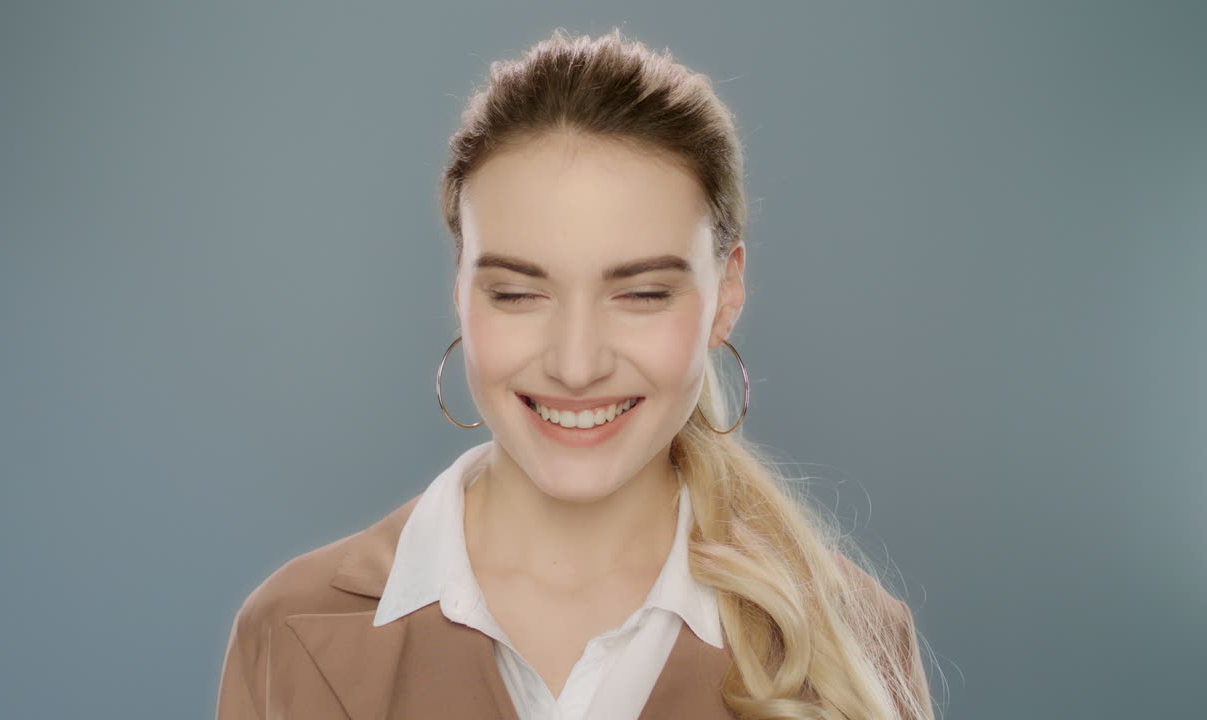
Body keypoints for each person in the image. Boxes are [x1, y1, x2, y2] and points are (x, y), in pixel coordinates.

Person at [216, 27, 934, 720]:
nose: (577, 364)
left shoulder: (853, 647)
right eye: (519, 293)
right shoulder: (286, 631)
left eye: (643, 293)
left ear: (728, 296)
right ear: (461, 296)